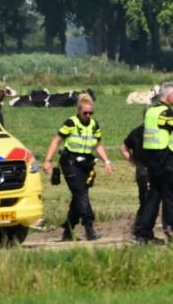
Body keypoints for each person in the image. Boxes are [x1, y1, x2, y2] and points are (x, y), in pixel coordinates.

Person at [42, 93, 113, 241]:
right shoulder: (70, 123)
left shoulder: (94, 125)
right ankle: (89, 228)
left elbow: (98, 144)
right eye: (85, 112)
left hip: (86, 165)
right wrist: (48, 160)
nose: (87, 115)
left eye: (90, 112)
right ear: (79, 111)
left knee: (78, 197)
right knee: (81, 194)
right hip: (70, 163)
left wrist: (107, 161)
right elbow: (56, 141)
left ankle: (68, 230)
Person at [133, 82, 173, 243]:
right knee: (170, 197)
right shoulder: (165, 112)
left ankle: (143, 233)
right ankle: (171, 232)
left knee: (153, 197)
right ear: (168, 96)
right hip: (165, 159)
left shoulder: (151, 111)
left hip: (152, 160)